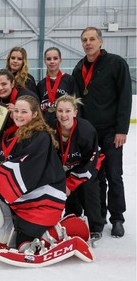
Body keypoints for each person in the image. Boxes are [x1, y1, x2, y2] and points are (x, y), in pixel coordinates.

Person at [72, 26, 132, 238]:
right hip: (90, 133)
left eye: (92, 39)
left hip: (111, 131)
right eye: (84, 40)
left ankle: (117, 218)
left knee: (114, 174)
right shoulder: (79, 68)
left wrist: (121, 130)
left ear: (100, 41)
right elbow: (78, 103)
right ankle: (99, 215)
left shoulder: (116, 63)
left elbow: (125, 97)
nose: (88, 43)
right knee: (95, 177)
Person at [0, 95, 66, 249]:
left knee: (23, 242)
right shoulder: (18, 133)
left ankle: (55, 232)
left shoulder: (40, 136)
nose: (18, 115)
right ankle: (46, 233)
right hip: (30, 197)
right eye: (16, 111)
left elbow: (27, 165)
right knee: (21, 241)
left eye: (24, 112)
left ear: (35, 114)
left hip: (45, 197)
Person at [53, 95, 105, 240]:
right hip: (65, 168)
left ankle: (95, 226)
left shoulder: (86, 130)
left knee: (89, 189)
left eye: (68, 111)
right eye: (60, 111)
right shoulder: (50, 130)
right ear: (55, 112)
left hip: (87, 165)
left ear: (75, 112)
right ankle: (73, 219)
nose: (64, 115)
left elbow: (91, 159)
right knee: (69, 197)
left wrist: (70, 183)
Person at [37, 47, 78, 125]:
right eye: (49, 59)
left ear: (60, 60)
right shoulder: (40, 84)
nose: (52, 61)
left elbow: (76, 104)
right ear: (45, 61)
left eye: (55, 58)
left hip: (65, 123)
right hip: (46, 124)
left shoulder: (69, 80)